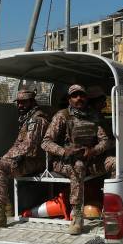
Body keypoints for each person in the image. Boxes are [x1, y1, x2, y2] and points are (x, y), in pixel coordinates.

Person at [0, 90, 49, 230]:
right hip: (26, 160)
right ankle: (7, 208)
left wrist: (4, 160)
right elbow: (17, 145)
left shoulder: (37, 119)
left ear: (32, 102)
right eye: (19, 103)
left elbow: (28, 146)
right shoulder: (27, 119)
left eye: (24, 102)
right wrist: (3, 158)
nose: (20, 105)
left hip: (38, 162)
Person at [41, 84, 110, 235]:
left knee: (115, 163)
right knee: (78, 166)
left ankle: (111, 209)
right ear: (69, 99)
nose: (79, 98)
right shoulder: (62, 116)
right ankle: (77, 216)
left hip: (90, 159)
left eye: (82, 95)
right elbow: (46, 142)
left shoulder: (93, 116)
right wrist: (65, 151)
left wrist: (93, 151)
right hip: (64, 162)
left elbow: (105, 141)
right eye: (75, 95)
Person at [86, 86, 116, 178]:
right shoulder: (90, 117)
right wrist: (114, 143)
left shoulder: (97, 115)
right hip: (92, 161)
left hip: (100, 156)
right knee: (119, 164)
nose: (105, 103)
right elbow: (104, 142)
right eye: (102, 100)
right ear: (95, 101)